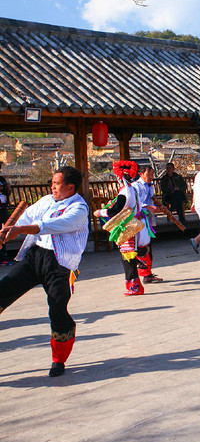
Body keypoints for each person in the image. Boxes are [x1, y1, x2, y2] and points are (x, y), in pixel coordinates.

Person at [0, 166, 89, 377]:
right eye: (52, 182)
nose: (53, 187)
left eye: (57, 184)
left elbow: (52, 225)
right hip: (35, 256)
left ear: (70, 187)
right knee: (3, 288)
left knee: (57, 309)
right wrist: (8, 229)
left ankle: (58, 360)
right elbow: (26, 217)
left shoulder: (79, 208)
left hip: (60, 265)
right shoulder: (47, 200)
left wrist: (20, 230)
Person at [95, 161, 150, 295]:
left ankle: (135, 286)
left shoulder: (125, 191)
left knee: (127, 257)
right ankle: (142, 267)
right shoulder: (131, 189)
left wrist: (100, 212)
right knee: (132, 254)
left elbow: (115, 211)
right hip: (136, 224)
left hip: (128, 227)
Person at [132, 166, 163, 284]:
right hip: (138, 220)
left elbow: (151, 199)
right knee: (140, 247)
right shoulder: (135, 186)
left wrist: (159, 206)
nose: (151, 177)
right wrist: (149, 207)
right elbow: (135, 202)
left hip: (147, 219)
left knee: (148, 247)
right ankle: (141, 274)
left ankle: (147, 274)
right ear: (141, 174)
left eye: (152, 174)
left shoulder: (150, 186)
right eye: (148, 174)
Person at [0, 160, 12, 265]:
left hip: (2, 209)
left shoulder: (2, 179)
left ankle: (3, 256)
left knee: (4, 231)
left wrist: (8, 189)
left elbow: (7, 193)